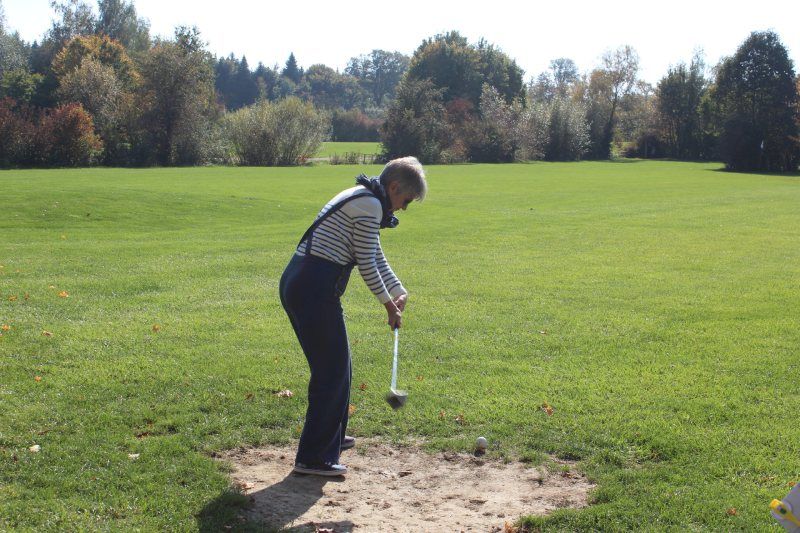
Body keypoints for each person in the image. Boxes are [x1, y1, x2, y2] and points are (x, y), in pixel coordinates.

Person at [279, 156, 427, 477]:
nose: (403, 208)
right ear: (393, 187)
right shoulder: (370, 205)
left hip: (309, 284)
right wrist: (389, 306)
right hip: (311, 287)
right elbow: (366, 263)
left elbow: (374, 253)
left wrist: (399, 290)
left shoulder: (366, 199)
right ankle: (314, 457)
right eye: (405, 200)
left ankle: (330, 438)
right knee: (330, 370)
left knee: (339, 365)